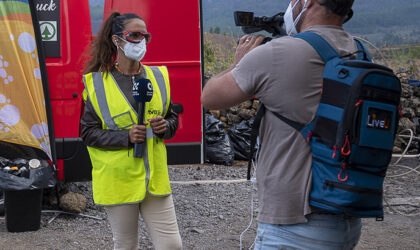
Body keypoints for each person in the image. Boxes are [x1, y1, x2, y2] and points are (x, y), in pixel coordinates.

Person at [201, 0, 362, 249]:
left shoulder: (280, 52)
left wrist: (239, 62)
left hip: (294, 224)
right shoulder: (359, 51)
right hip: (347, 218)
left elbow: (210, 97)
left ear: (308, 2)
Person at [81, 12, 182, 250]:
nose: (142, 41)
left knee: (171, 245)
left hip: (155, 180)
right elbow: (87, 133)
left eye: (145, 36)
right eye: (134, 35)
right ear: (117, 40)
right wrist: (124, 137)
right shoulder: (97, 84)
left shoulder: (158, 77)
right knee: (126, 246)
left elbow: (172, 119)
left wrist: (164, 127)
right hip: (119, 181)